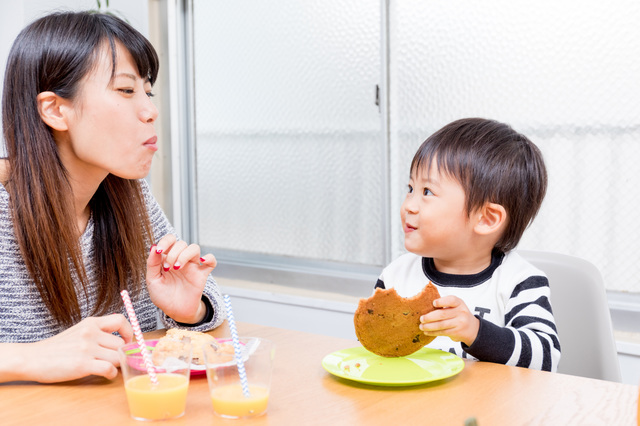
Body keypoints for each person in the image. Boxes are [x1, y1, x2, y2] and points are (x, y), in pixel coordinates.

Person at [0, 11, 225, 383]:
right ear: (56, 109)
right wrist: (29, 358)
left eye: (147, 91)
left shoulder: (128, 194)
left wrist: (190, 311)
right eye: (125, 90)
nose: (150, 111)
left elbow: (205, 308)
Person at [375, 118, 561, 371]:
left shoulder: (519, 281)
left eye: (427, 192)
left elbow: (545, 357)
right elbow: (374, 353)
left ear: (486, 218)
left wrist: (476, 332)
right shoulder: (395, 277)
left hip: (491, 408)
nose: (409, 205)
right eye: (410, 188)